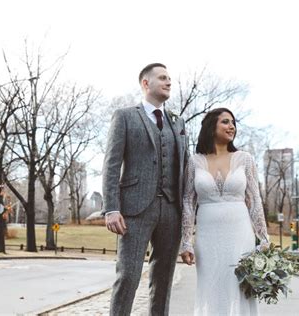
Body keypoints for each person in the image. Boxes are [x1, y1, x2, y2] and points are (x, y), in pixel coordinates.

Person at [102, 63, 188, 316]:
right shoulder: (125, 116)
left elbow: (184, 167)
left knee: (163, 281)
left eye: (170, 78)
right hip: (134, 209)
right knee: (128, 276)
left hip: (172, 210)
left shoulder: (178, 122)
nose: (169, 82)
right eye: (163, 78)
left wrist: (187, 212)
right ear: (145, 83)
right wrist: (111, 208)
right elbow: (112, 164)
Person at [179, 107, 270, 315]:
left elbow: (254, 199)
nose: (232, 127)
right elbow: (188, 201)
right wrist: (186, 241)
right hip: (208, 235)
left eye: (233, 123)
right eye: (226, 122)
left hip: (239, 232)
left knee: (238, 286)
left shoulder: (245, 159)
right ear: (212, 127)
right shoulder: (194, 161)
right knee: (211, 286)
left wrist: (263, 238)